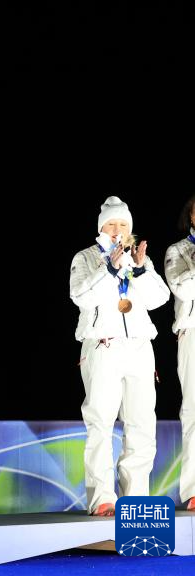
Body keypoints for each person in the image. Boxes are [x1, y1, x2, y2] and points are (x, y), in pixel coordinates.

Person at [69, 196, 169, 516]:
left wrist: (139, 270)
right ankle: (102, 498)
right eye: (111, 224)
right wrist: (110, 269)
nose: (117, 230)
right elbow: (81, 296)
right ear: (101, 227)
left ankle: (136, 498)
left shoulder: (139, 259)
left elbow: (159, 298)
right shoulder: (86, 258)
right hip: (103, 346)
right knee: (101, 423)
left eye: (123, 224)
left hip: (139, 347)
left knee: (142, 424)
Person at [165, 193, 195, 511]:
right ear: (191, 216)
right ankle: (193, 489)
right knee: (194, 411)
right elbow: (182, 288)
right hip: (192, 332)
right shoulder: (177, 251)